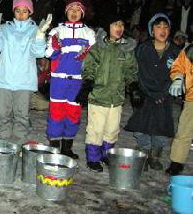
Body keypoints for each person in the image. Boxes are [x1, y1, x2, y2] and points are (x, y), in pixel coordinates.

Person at [80, 14, 138, 172]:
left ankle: (105, 154)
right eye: (115, 24)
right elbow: (89, 67)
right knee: (96, 130)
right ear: (107, 27)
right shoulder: (99, 48)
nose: (119, 28)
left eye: (121, 25)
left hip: (116, 98)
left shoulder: (126, 49)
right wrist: (88, 84)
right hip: (98, 97)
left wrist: (133, 87)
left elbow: (130, 70)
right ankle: (93, 158)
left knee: (112, 130)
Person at [0, 0, 49, 144]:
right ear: (13, 11)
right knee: (3, 113)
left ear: (30, 12)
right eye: (18, 10)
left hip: (24, 80)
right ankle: (2, 138)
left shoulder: (35, 30)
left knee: (22, 114)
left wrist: (40, 36)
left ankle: (20, 140)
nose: (21, 14)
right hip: (4, 79)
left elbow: (38, 52)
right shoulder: (5, 28)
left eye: (25, 11)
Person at [124, 14, 181, 171]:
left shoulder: (175, 52)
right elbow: (138, 73)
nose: (162, 30)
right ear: (151, 30)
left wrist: (164, 93)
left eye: (165, 27)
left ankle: (154, 156)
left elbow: (178, 75)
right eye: (158, 27)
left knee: (161, 127)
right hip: (145, 95)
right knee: (141, 125)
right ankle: (143, 151)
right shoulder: (143, 49)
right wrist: (151, 93)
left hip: (164, 97)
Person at [45, 0, 96, 159]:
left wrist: (89, 80)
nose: (74, 12)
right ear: (66, 11)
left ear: (83, 13)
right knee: (56, 113)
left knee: (73, 114)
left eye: (78, 9)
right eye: (71, 9)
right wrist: (55, 47)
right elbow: (48, 54)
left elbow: (94, 58)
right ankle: (54, 146)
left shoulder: (88, 33)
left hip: (77, 81)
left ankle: (67, 147)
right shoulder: (57, 31)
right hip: (59, 80)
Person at [166, 43, 193, 175]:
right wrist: (178, 78)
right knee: (184, 131)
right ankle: (176, 162)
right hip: (192, 97)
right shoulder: (190, 49)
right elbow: (178, 65)